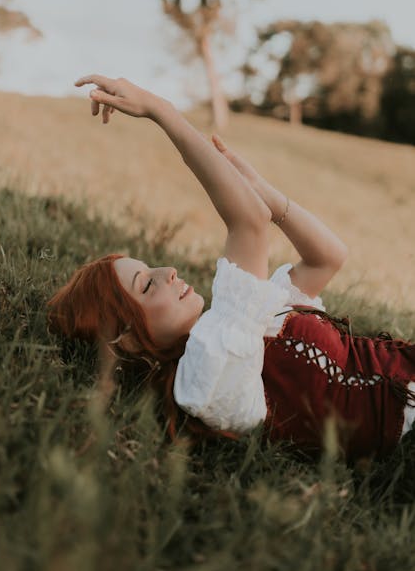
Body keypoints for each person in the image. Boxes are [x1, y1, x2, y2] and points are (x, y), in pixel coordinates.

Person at [47, 75, 415, 461]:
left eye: (152, 269)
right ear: (128, 341)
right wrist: (161, 111)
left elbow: (327, 257)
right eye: (146, 285)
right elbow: (248, 224)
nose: (168, 271)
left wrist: (265, 193)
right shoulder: (206, 372)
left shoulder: (246, 321)